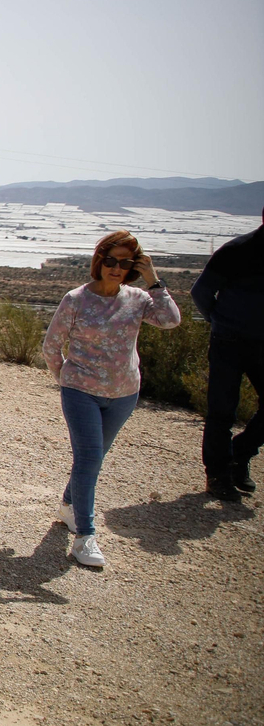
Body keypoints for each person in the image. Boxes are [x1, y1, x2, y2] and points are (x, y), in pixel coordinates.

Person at [41, 231, 181, 567]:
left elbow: (170, 320)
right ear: (99, 261)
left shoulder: (138, 299)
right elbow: (51, 346)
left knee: (93, 458)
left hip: (124, 394)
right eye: (111, 261)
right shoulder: (76, 299)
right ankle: (85, 536)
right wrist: (67, 380)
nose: (117, 268)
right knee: (89, 458)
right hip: (81, 392)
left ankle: (69, 506)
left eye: (126, 263)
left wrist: (153, 279)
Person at [192, 207, 263, 500]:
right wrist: (219, 322)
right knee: (222, 410)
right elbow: (201, 292)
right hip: (228, 341)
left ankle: (240, 454)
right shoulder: (237, 250)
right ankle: (218, 475)